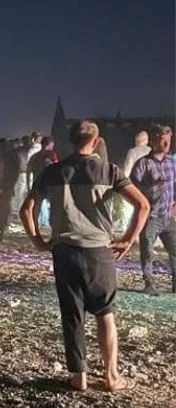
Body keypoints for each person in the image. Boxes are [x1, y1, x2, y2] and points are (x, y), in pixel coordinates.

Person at [19, 120, 150, 392]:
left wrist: (38, 241)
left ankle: (79, 377)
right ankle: (111, 376)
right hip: (99, 251)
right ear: (97, 141)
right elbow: (143, 205)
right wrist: (128, 238)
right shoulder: (109, 171)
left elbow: (26, 209)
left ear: (70, 140)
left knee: (72, 315)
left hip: (64, 251)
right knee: (105, 314)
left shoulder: (52, 172)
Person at [130, 124, 176, 295]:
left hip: (167, 216)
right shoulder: (143, 164)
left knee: (175, 250)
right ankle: (148, 282)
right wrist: (148, 192)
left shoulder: (172, 163)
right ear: (154, 140)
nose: (166, 143)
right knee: (147, 250)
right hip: (150, 216)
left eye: (168, 139)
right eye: (162, 139)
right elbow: (132, 188)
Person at [118, 131, 152, 230]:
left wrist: (123, 183)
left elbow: (127, 169)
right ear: (147, 140)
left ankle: (135, 230)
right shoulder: (151, 150)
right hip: (151, 185)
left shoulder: (132, 152)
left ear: (136, 140)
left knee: (137, 207)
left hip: (137, 184)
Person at [27, 137, 59, 227]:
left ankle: (36, 223)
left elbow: (29, 170)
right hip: (50, 183)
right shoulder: (51, 154)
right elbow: (56, 167)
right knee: (53, 204)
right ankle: (50, 223)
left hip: (37, 182)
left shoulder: (35, 156)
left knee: (37, 204)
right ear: (50, 144)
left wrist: (28, 184)